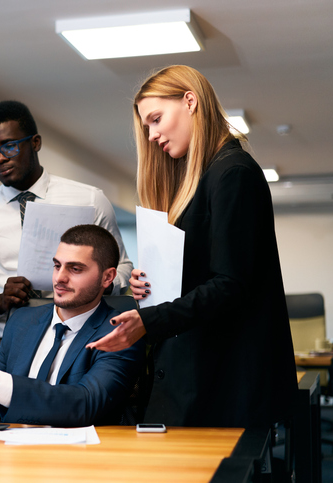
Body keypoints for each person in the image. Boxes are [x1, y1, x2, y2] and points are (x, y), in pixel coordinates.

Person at [86, 65, 297, 429]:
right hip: (199, 370)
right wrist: (151, 282)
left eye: (155, 119)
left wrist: (147, 320)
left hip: (225, 381)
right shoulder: (202, 178)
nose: (151, 135)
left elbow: (230, 284)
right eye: (146, 127)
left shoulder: (232, 173)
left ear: (190, 101)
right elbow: (202, 274)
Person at [0, 100, 134, 362]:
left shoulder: (89, 199)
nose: (0, 158)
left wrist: (98, 286)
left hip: (81, 343)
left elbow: (123, 267)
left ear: (35, 142)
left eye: (9, 145)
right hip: (9, 346)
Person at [0, 225, 145, 427]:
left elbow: (85, 404)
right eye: (57, 265)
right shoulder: (22, 321)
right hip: (13, 451)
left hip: (81, 455)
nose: (59, 278)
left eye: (75, 269)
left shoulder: (122, 332)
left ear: (107, 277)